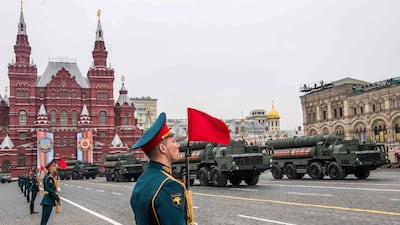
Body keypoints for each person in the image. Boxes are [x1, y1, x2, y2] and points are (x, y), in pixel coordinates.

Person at [130, 112, 194, 225]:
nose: (178, 145)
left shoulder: (142, 180)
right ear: (163, 148)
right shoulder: (169, 186)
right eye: (174, 141)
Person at [40, 160, 61, 225]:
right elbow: (50, 190)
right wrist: (57, 198)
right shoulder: (49, 178)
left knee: (44, 221)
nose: (55, 167)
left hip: (48, 200)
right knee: (44, 221)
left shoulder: (51, 177)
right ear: (49, 168)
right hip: (48, 201)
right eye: (54, 166)